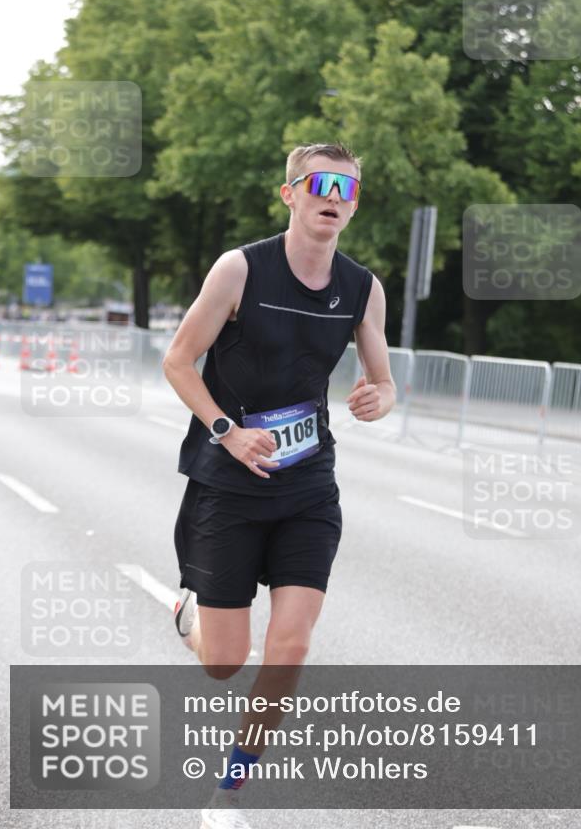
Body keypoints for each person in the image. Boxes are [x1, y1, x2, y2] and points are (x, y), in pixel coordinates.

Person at [163, 143, 396, 826]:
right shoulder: (240, 269)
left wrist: (378, 398)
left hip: (307, 489)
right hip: (228, 487)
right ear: (289, 193)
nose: (334, 196)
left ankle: (230, 787)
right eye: (320, 183)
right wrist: (226, 431)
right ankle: (189, 616)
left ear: (353, 204)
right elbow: (178, 361)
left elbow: (381, 381)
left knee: (291, 643)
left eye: (347, 188)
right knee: (223, 663)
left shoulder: (361, 287)